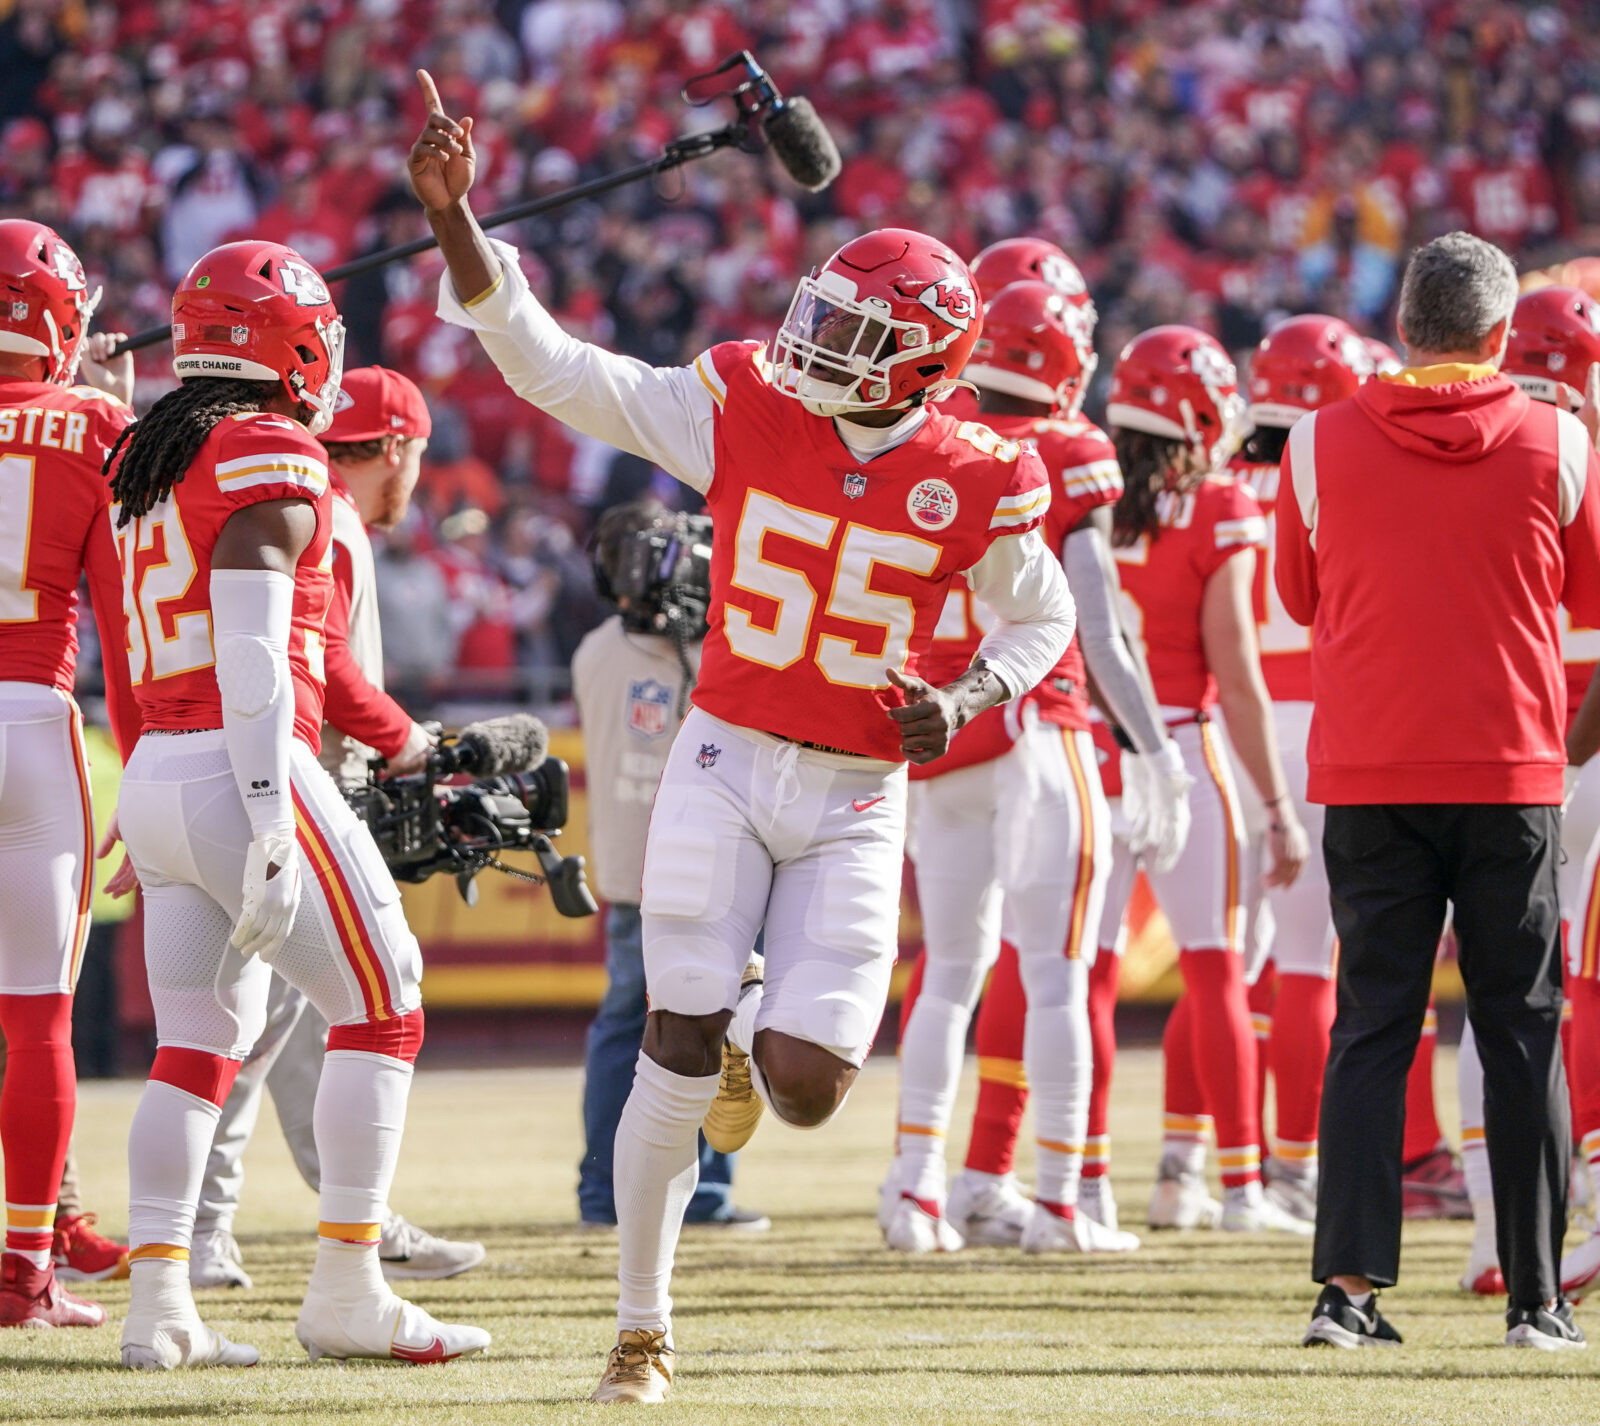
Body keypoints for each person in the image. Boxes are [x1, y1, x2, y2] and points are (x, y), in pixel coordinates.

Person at [409, 72, 1075, 1403]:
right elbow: (554, 367)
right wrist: (456, 224)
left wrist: (967, 694)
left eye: (854, 333)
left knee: (812, 1083)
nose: (816, 343)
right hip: (723, 754)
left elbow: (1042, 618)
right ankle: (642, 1326)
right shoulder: (740, 402)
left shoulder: (990, 473)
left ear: (928, 363)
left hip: (855, 791)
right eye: (821, 314)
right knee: (673, 1030)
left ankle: (748, 1029)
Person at [106, 239, 488, 1369]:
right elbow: (259, 657)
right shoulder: (267, 448)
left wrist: (147, 797)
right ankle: (349, 1286)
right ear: (297, 345)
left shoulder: (154, 452)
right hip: (240, 763)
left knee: (195, 1047)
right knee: (387, 1002)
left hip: (162, 768)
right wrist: (272, 812)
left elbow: (139, 662)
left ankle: (158, 1306)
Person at [1286, 232, 1600, 1351]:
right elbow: (1589, 599)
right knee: (1521, 1029)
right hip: (1509, 766)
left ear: (1404, 325)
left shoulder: (1316, 443)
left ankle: (1349, 1289)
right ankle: (1537, 1298)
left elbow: (1300, 586)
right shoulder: (1561, 440)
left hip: (1368, 767)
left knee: (1371, 1023)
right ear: (1500, 333)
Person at [884, 257, 1185, 1256]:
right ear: (1064, 367)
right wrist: (1154, 751)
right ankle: (1059, 1199)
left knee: (947, 974)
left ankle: (913, 1191)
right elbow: (1095, 629)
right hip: (1037, 723)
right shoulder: (1068, 444)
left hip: (942, 733)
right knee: (1054, 974)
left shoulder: (932, 440)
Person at [187, 365, 485, 1291]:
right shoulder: (326, 510)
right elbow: (322, 663)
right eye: (416, 457)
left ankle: (351, 1219)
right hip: (292, 786)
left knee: (303, 1023)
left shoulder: (271, 489)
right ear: (395, 446)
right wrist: (404, 739)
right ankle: (206, 1231)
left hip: (242, 770)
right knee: (268, 1020)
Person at [1094, 324, 1310, 1236]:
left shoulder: (1088, 495)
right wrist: (1278, 807)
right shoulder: (1220, 503)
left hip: (1094, 755)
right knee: (1218, 971)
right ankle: (1238, 1187)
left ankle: (1079, 1178)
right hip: (1181, 749)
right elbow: (1240, 670)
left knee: (1086, 977)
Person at [0, 219, 140, 1328]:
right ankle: (24, 1276)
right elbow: (131, 632)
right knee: (38, 1021)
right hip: (33, 722)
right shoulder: (95, 423)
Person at [572, 501, 766, 1232]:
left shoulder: (593, 649)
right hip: (697, 868)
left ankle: (600, 1194)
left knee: (623, 1028)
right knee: (713, 1025)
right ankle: (706, 1193)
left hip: (626, 871)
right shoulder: (705, 653)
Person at [1230, 313, 1374, 1224]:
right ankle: (1290, 1161)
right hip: (1318, 719)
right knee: (1307, 962)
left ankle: (1206, 1153)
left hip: (1219, 727)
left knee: (1227, 965)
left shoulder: (1208, 476)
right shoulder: (1351, 468)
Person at [1475, 284, 1600, 1302]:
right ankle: (1574, 1205)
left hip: (1483, 750)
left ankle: (1493, 1229)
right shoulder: (1567, 451)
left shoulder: (1475, 439)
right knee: (1561, 982)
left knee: (1494, 996)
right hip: (1555, 754)